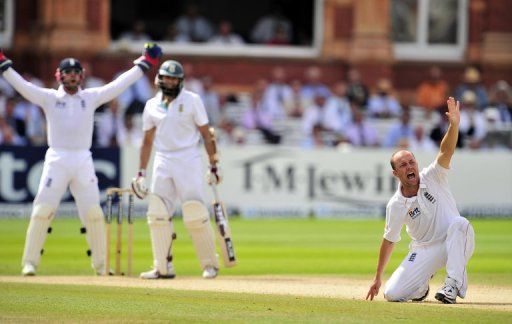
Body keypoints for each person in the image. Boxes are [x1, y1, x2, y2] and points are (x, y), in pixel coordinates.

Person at [0, 43, 162, 276]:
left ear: (82, 76)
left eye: (76, 74)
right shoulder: (49, 98)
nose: (73, 77)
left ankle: (101, 266)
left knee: (94, 214)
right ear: (60, 75)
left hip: (83, 160)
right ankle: (30, 263)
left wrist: (144, 63)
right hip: (56, 158)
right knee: (42, 211)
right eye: (68, 73)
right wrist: (3, 64)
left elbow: (118, 85)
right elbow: (23, 87)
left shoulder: (91, 97)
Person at [366, 97, 475, 304]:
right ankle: (420, 287)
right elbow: (389, 241)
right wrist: (377, 278)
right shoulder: (396, 204)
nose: (409, 167)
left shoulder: (433, 175)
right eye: (403, 165)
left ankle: (452, 285)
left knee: (460, 224)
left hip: (456, 241)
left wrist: (454, 125)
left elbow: (446, 151)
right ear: (395, 173)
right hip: (425, 250)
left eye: (411, 162)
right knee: (392, 294)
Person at [131, 60, 222, 279]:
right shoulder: (151, 105)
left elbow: (206, 134)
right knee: (157, 214)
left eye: (174, 78)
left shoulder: (192, 100)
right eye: (167, 78)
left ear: (181, 81)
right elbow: (147, 141)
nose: (170, 82)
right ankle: (162, 267)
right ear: (159, 79)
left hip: (188, 158)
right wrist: (141, 172)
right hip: (163, 159)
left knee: (194, 212)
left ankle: (210, 264)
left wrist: (213, 164)